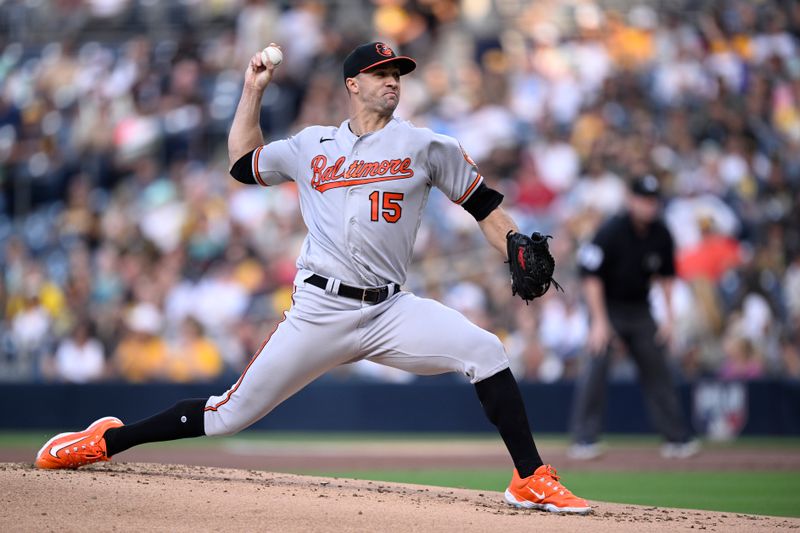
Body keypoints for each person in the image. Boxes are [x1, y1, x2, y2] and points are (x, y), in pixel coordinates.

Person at [34, 41, 590, 514]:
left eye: (398, 74)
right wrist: (253, 89)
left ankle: (529, 478)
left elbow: (488, 209)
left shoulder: (426, 146)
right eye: (381, 74)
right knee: (228, 415)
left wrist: (515, 243)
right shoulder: (310, 146)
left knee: (486, 349)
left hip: (390, 310)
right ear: (353, 83)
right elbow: (240, 163)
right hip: (320, 310)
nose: (392, 82)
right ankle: (108, 440)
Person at [568, 175, 699, 460]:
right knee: (596, 363)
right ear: (631, 200)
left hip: (640, 309)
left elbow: (666, 278)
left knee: (658, 366)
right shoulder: (612, 230)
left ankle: (676, 437)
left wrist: (668, 320)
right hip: (608, 307)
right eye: (643, 199)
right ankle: (584, 439)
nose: (649, 206)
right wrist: (599, 322)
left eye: (653, 200)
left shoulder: (661, 233)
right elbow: (590, 277)